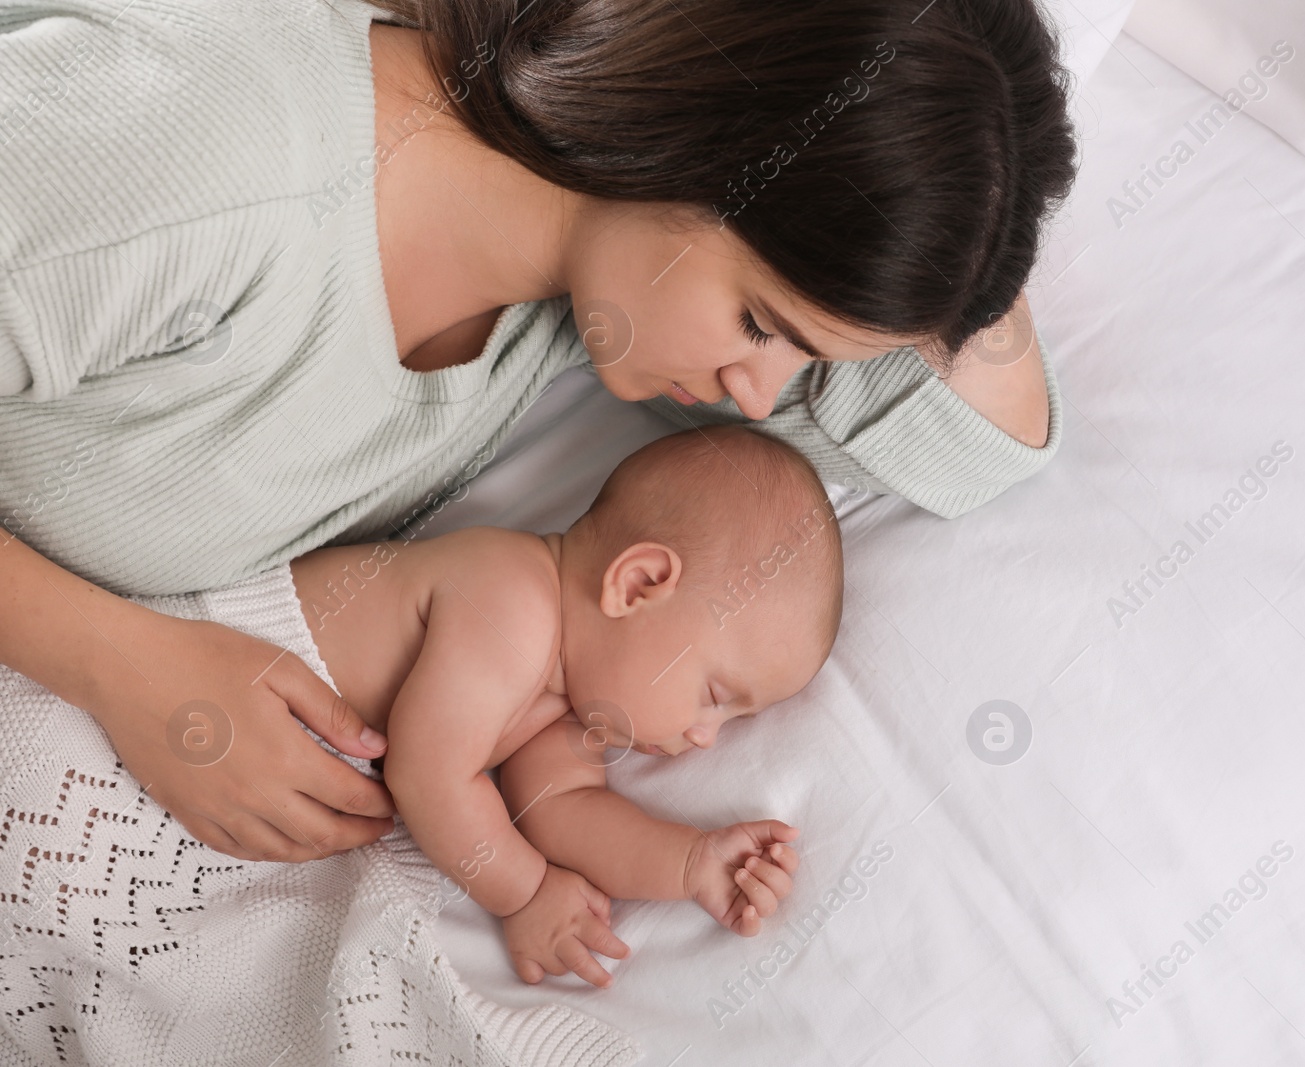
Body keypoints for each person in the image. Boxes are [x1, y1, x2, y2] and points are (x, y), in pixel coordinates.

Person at [0, 0, 1076, 865]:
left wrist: (971, 150)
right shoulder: (203, 152)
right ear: (683, 132)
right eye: (759, 322)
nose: (756, 397)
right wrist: (121, 663)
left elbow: (975, 446)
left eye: (803, 358)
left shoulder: (569, 308)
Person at [290, 424, 841, 986]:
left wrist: (692, 864)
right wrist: (525, 893)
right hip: (246, 670)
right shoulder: (509, 599)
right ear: (637, 585)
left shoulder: (565, 702)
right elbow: (428, 774)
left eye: (730, 721)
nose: (704, 737)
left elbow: (565, 816)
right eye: (715, 698)